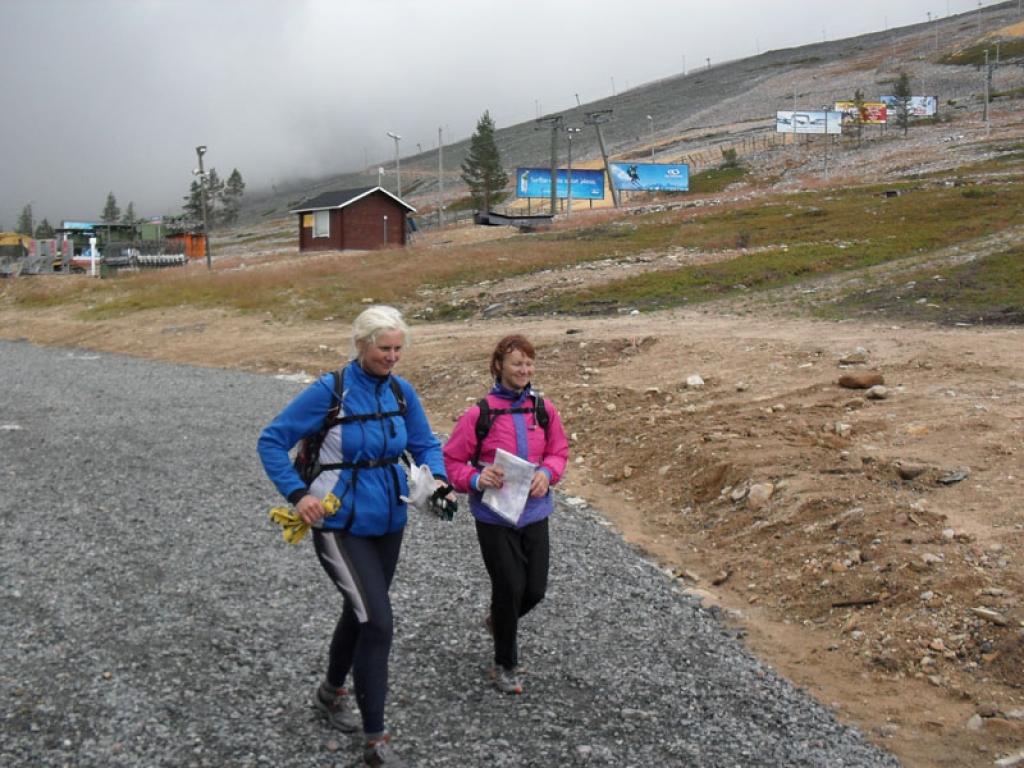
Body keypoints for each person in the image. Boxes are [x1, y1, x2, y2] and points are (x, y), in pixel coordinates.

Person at [258, 305, 450, 768]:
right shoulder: (331, 391)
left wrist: (439, 479)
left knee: (361, 609)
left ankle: (329, 693)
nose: (393, 357)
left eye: (399, 349)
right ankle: (375, 740)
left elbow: (423, 443)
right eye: (384, 349)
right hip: (338, 523)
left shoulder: (402, 393)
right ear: (361, 345)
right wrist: (298, 493)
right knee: (378, 622)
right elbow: (271, 440)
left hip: (389, 522)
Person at [443, 334, 569, 695]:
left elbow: (559, 451)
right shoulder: (478, 414)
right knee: (509, 587)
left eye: (529, 364)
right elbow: (451, 461)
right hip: (494, 517)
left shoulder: (543, 410)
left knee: (535, 589)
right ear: (499, 365)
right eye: (517, 363)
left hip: (534, 513)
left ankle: (499, 621)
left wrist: (547, 473)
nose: (524, 370)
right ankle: (505, 664)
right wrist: (475, 477)